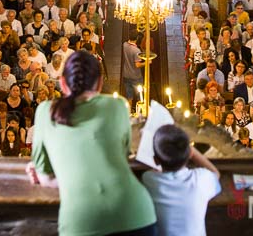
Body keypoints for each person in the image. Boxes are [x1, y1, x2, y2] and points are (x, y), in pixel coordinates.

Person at [29, 51, 157, 236]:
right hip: (135, 214)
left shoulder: (45, 111)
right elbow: (121, 154)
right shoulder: (118, 105)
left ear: (62, 83)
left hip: (82, 220)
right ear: (99, 83)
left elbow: (45, 177)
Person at [142, 124, 221, 236]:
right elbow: (215, 173)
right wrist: (193, 152)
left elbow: (153, 172)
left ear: (155, 160)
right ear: (189, 153)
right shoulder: (200, 180)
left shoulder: (149, 179)